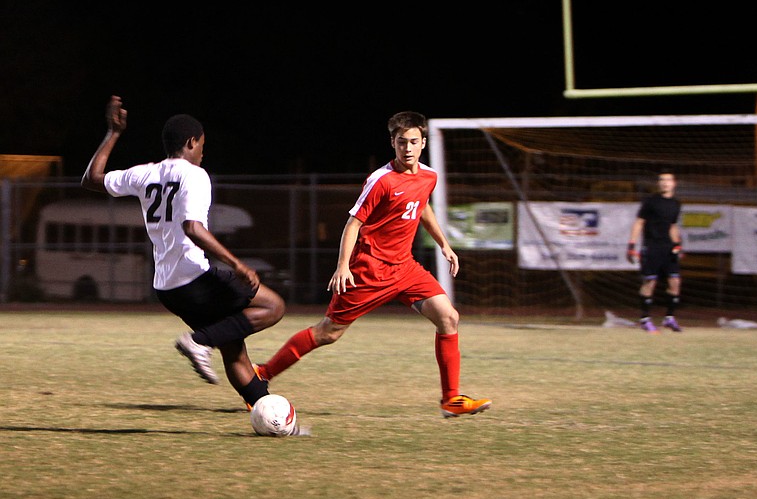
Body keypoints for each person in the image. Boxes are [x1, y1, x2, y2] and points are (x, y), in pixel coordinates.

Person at [254, 111, 492, 418]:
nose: (408, 148)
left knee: (448, 318)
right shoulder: (381, 180)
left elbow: (421, 207)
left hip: (405, 268)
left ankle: (451, 399)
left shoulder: (428, 176)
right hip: (369, 269)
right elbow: (353, 224)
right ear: (392, 142)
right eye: (402, 142)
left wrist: (444, 243)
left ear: (423, 143)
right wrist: (343, 267)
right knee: (328, 332)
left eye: (414, 142)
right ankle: (263, 372)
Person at [81, 95, 285, 409]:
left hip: (167, 288)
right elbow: (193, 228)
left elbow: (91, 179)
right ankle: (198, 341)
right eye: (202, 144)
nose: (203, 152)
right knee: (273, 306)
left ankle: (270, 416)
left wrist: (114, 133)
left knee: (234, 351)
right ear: (191, 142)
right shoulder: (194, 175)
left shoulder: (144, 173)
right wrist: (238, 265)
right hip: (194, 278)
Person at [626, 170, 683, 333]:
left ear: (674, 183)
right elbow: (639, 223)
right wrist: (631, 245)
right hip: (652, 247)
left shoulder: (676, 204)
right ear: (658, 183)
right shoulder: (650, 201)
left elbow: (672, 226)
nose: (665, 183)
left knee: (675, 282)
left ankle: (669, 318)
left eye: (668, 180)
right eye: (662, 180)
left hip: (668, 248)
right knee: (650, 282)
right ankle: (645, 319)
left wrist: (677, 244)